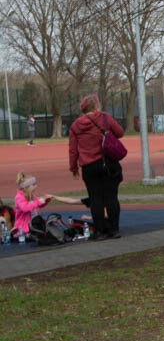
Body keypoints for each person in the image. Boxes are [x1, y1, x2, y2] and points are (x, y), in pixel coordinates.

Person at [68, 94, 123, 240]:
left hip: (88, 166)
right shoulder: (105, 118)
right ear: (97, 105)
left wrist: (73, 167)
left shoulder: (75, 126)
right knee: (111, 198)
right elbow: (120, 133)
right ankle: (114, 229)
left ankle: (99, 231)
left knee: (95, 199)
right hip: (107, 163)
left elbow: (73, 149)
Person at [13, 172, 81, 239]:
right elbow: (25, 208)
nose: (36, 186)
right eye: (33, 185)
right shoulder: (19, 197)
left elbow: (38, 206)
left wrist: (46, 201)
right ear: (27, 187)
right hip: (24, 228)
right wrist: (38, 202)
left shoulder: (31, 195)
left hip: (34, 224)